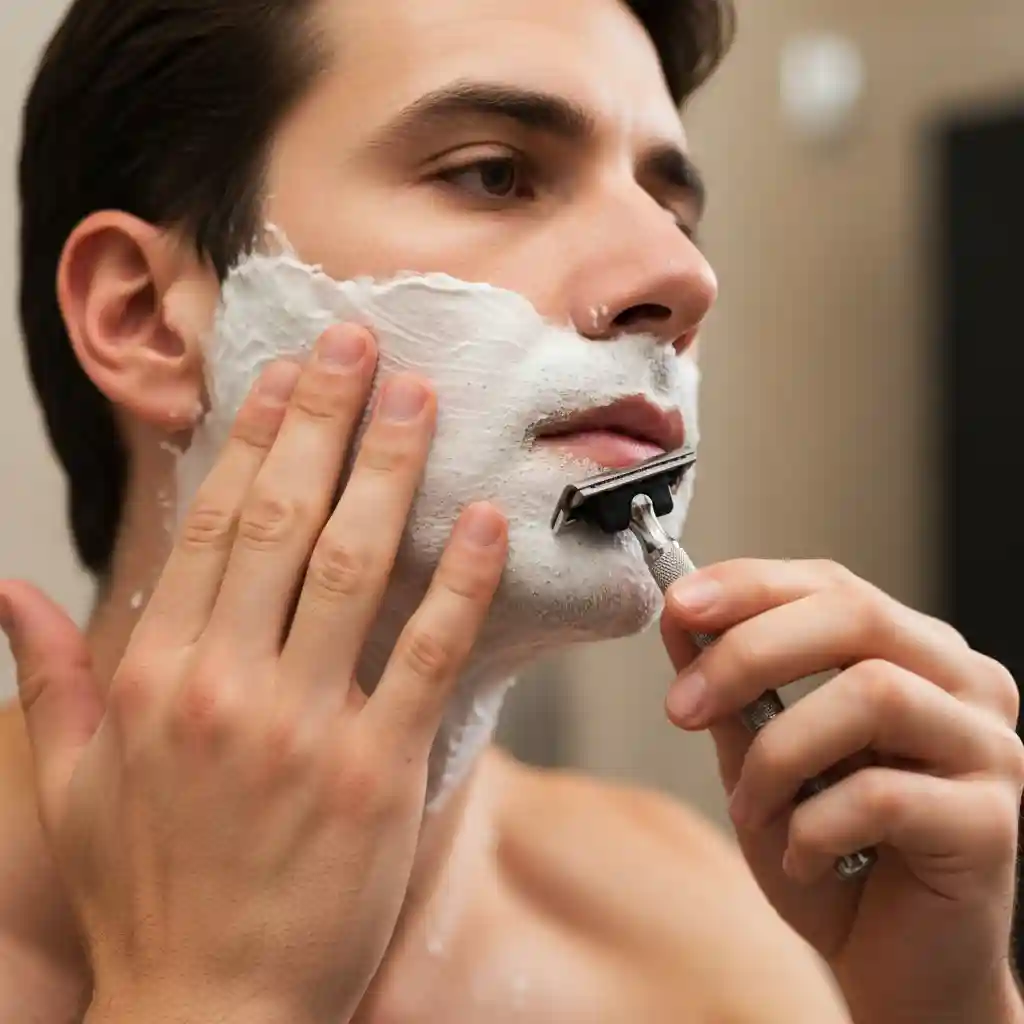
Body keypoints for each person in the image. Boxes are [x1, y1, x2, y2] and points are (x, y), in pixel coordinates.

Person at [1, 0, 1022, 1021]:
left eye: (673, 209)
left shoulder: (713, 947)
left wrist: (942, 1001)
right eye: (495, 172)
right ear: (143, 318)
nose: (683, 276)